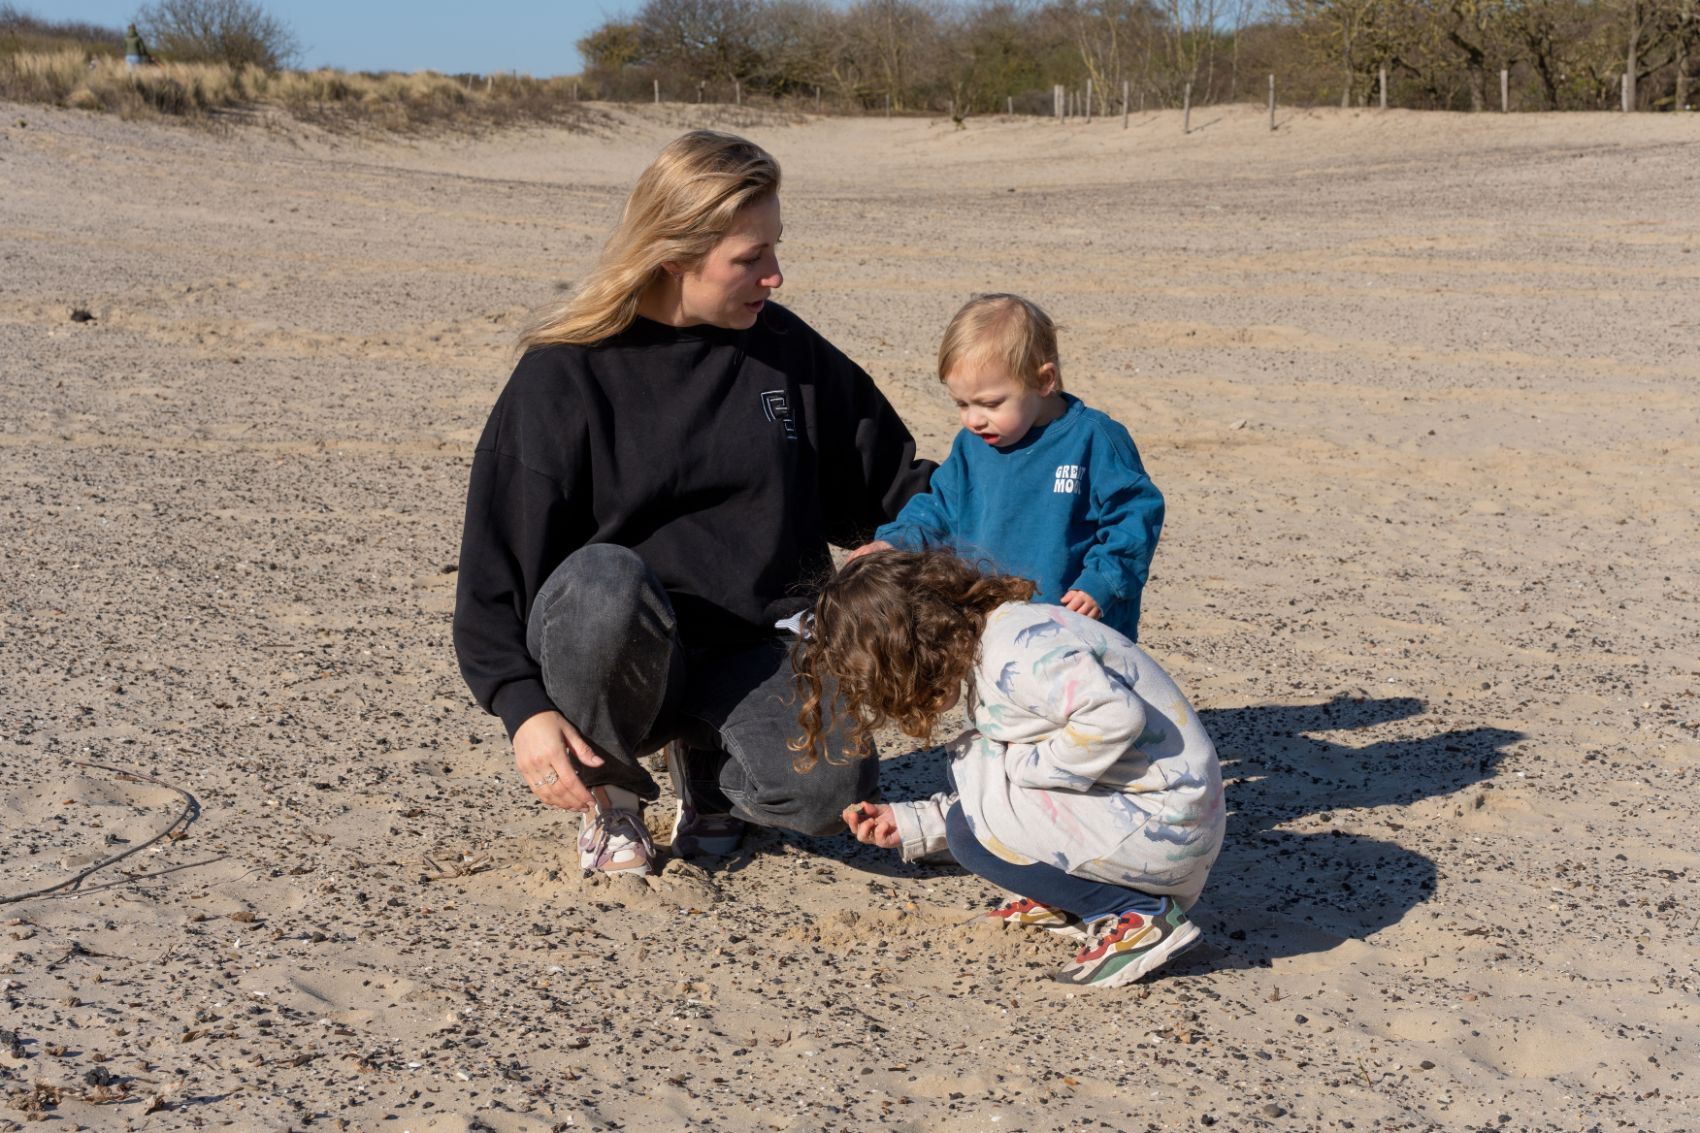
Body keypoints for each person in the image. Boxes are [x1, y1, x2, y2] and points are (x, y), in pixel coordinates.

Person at [453, 131, 933, 877]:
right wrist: (523, 710)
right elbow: (492, 580)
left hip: (756, 644)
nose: (774, 276)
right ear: (672, 253)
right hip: (611, 640)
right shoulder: (562, 376)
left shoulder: (788, 354)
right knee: (604, 583)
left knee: (828, 794)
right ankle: (612, 797)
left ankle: (709, 778)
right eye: (750, 259)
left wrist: (1014, 480)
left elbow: (895, 485)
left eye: (774, 249)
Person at [792, 550, 1224, 988]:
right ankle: (1065, 897)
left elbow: (1115, 716)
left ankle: (1137, 915)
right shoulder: (1003, 635)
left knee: (970, 828)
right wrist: (913, 822)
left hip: (1167, 828)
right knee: (977, 779)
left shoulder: (1018, 656)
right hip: (1161, 816)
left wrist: (1028, 768)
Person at [849, 293, 1163, 643]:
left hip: (1078, 628)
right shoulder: (971, 447)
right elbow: (937, 511)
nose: (973, 419)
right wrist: (894, 542)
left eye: (990, 403)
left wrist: (1103, 582)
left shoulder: (1093, 440)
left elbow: (1135, 516)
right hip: (992, 628)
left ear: (1044, 381)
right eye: (962, 404)